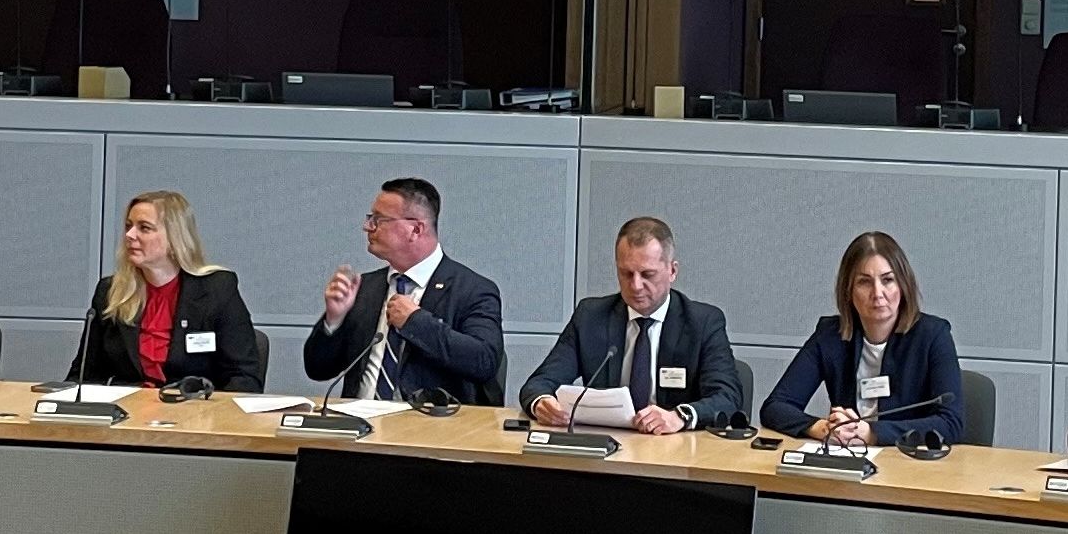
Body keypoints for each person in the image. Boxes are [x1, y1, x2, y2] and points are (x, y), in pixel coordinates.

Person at [525, 216, 743, 433]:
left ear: (672, 271)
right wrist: (542, 402)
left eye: (647, 274)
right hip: (605, 443)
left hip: (673, 445)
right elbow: (540, 383)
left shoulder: (703, 322)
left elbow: (727, 396)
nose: (636, 285)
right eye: (626, 273)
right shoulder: (591, 317)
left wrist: (680, 416)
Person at [301, 176, 505, 405]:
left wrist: (415, 322)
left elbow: (484, 362)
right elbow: (317, 369)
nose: (367, 227)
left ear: (415, 229)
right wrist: (334, 320)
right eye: (370, 219)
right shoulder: (365, 287)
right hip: (358, 421)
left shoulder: (473, 290)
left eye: (379, 220)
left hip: (430, 422)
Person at [760, 231, 963, 447]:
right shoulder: (830, 336)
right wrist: (824, 428)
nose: (877, 293)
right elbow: (775, 407)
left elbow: (951, 423)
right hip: (850, 460)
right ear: (848, 291)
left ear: (903, 285)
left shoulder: (933, 336)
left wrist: (871, 433)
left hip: (909, 460)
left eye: (888, 280)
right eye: (864, 282)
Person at [69, 190, 263, 390]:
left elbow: (244, 378)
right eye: (128, 226)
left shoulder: (217, 289)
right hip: (127, 407)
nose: (129, 235)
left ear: (174, 239)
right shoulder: (110, 292)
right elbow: (82, 375)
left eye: (144, 228)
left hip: (194, 406)